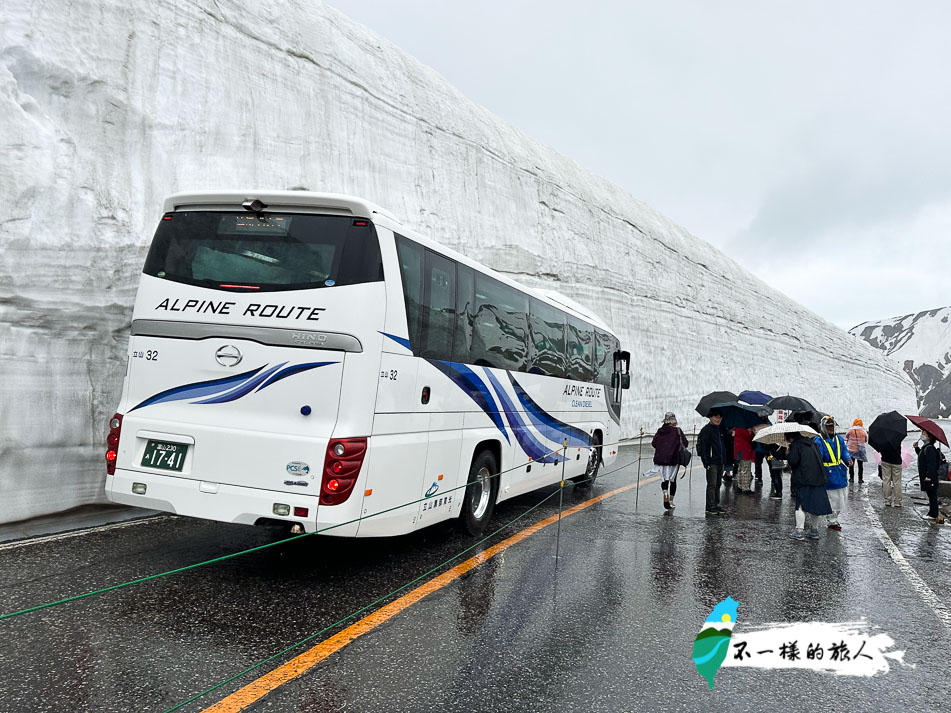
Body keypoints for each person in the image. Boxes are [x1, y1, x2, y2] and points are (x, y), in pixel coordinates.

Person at [787, 432, 832, 540]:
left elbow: (793, 462)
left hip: (803, 479)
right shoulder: (813, 444)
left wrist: (789, 453)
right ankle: (814, 531)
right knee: (814, 505)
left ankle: (799, 531)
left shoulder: (796, 445)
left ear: (791, 437)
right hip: (818, 478)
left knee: (800, 505)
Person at [814, 416, 852, 531]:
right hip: (828, 472)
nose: (831, 428)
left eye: (832, 426)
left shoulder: (839, 439)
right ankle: (831, 520)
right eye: (828, 426)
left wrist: (847, 459)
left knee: (841, 497)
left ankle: (834, 517)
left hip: (839, 471)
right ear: (824, 427)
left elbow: (844, 450)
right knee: (831, 497)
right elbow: (818, 455)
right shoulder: (819, 439)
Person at [650, 412, 688, 510]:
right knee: (673, 480)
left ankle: (665, 493)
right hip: (674, 459)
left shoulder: (660, 431)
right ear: (674, 421)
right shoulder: (678, 431)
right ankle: (671, 500)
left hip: (661, 459)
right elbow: (685, 443)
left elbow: (654, 443)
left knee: (664, 479)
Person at [698, 410, 727, 516]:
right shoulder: (706, 430)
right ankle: (710, 506)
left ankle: (715, 504)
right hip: (712, 462)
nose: (718, 419)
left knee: (718, 484)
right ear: (710, 417)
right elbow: (703, 447)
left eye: (720, 417)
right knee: (712, 484)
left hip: (720, 461)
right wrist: (706, 462)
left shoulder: (720, 429)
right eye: (716, 417)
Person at [915, 432, 945, 523]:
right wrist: (916, 448)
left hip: (930, 478)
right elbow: (922, 457)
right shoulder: (926, 447)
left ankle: (933, 514)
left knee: (932, 495)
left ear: (929, 437)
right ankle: (932, 513)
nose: (922, 435)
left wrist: (929, 476)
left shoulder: (930, 448)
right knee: (930, 495)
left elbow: (931, 464)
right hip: (927, 477)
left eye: (924, 434)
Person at [877, 440, 904, 507]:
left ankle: (887, 501)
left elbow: (880, 450)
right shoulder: (897, 437)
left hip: (885, 460)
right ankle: (897, 501)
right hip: (896, 461)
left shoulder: (882, 439)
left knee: (886, 480)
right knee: (897, 482)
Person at [733, 426, 755, 493]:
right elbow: (749, 437)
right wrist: (752, 432)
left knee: (740, 469)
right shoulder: (743, 429)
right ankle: (745, 488)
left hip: (738, 451)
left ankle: (740, 486)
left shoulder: (736, 428)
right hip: (745, 451)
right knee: (746, 469)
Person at [846, 418, 868, 483]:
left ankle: (851, 478)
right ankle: (860, 479)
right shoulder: (863, 431)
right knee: (860, 465)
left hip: (852, 449)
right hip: (860, 450)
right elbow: (866, 440)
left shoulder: (850, 430)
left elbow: (847, 436)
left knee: (851, 464)